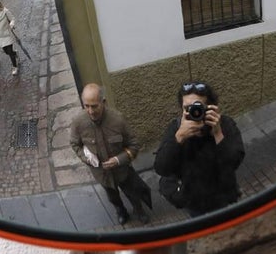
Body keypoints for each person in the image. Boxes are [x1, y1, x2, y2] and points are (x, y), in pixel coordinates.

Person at [154, 81, 245, 217]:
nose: (194, 113)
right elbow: (162, 168)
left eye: (198, 108)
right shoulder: (176, 129)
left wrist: (218, 133)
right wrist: (179, 138)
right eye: (187, 108)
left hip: (223, 196)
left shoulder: (225, 125)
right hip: (195, 201)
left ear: (211, 108)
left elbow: (234, 162)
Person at [69, 83, 152, 225]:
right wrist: (86, 158)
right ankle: (121, 211)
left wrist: (119, 160)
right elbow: (75, 144)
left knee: (132, 193)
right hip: (102, 174)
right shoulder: (78, 123)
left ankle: (139, 210)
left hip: (122, 171)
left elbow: (134, 145)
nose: (90, 111)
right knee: (113, 197)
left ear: (104, 102)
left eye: (94, 106)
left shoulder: (118, 120)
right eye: (86, 106)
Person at [0, 0, 20, 76]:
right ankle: (15, 53)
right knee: (6, 52)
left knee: (9, 52)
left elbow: (12, 19)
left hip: (7, 34)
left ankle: (15, 67)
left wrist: (12, 24)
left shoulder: (5, 11)